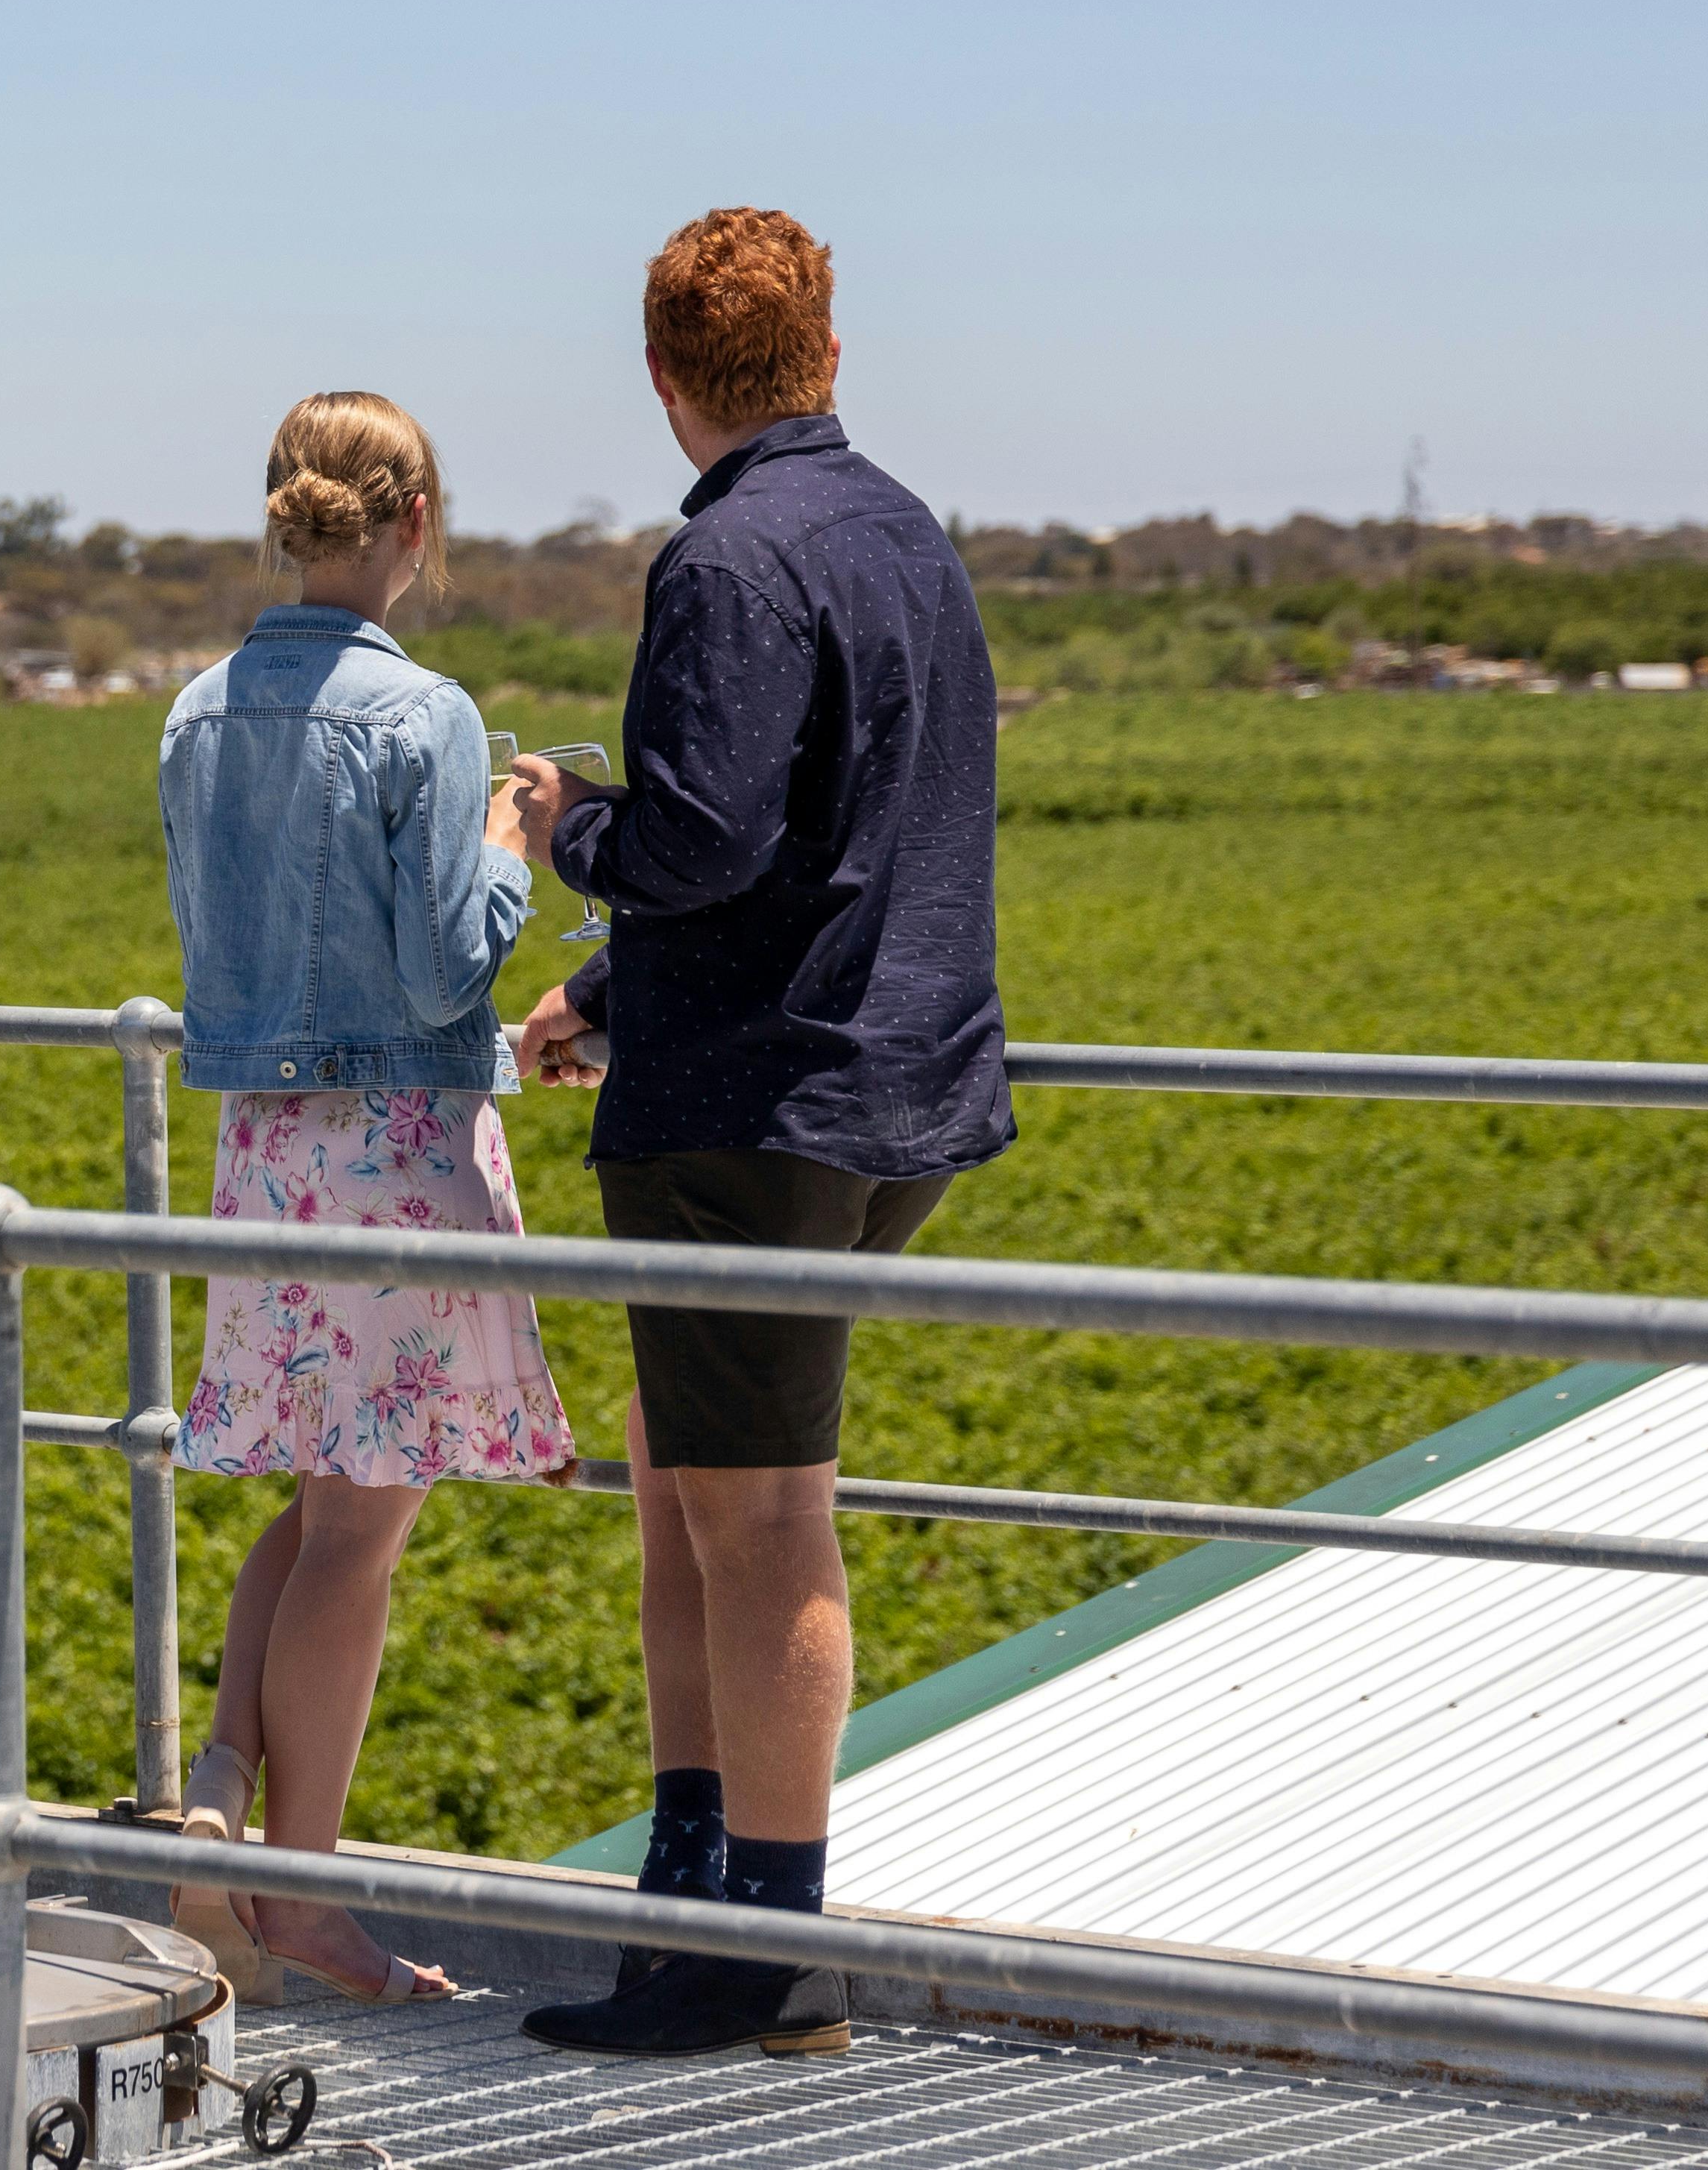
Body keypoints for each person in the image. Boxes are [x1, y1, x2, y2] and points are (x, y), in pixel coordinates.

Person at [496, 210, 1011, 2058]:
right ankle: (694, 1871)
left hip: (753, 1116)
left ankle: (764, 1948)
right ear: (831, 353)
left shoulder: (726, 560)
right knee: (686, 1463)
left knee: (762, 1511)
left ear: (658, 379)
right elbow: (836, 849)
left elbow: (701, 842)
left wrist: (565, 826)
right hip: (897, 1094)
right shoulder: (899, 537)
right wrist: (616, 1002)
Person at [155, 392, 575, 2006]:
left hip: (263, 1146)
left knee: (310, 1497)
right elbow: (443, 958)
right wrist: (510, 835)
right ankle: (306, 1899)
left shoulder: (196, 711)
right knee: (361, 1529)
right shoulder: (431, 717)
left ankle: (217, 1819)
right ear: (415, 523)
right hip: (394, 1144)